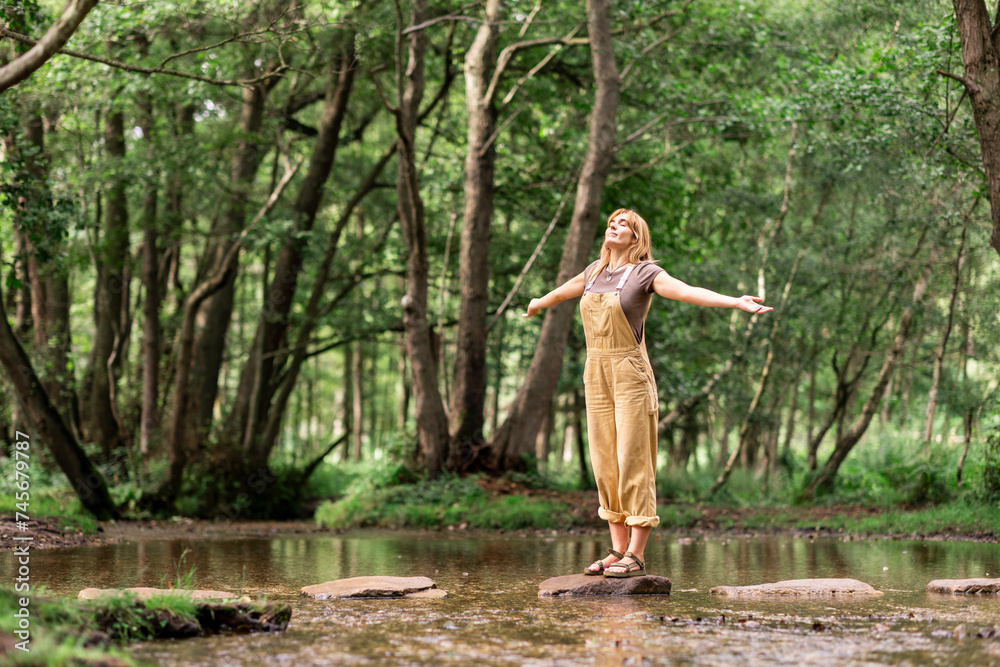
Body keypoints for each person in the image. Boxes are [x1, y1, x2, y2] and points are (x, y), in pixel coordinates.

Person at [523, 208, 772, 577]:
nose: (613, 226)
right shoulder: (594, 272)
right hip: (596, 373)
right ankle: (616, 549)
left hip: (630, 374)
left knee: (633, 459)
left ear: (636, 237)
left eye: (622, 223)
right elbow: (566, 289)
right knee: (605, 460)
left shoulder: (645, 273)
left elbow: (687, 292)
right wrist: (540, 301)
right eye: (611, 222)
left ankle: (636, 554)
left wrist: (735, 301)